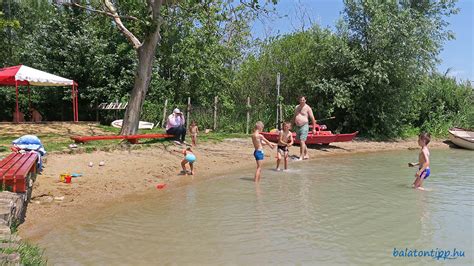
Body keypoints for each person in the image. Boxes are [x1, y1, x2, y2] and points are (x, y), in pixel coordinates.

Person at [292, 96, 317, 160]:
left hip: (304, 126)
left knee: (302, 141)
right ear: (299, 100)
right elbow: (294, 116)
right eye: (300, 100)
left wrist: (314, 129)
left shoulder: (308, 108)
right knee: (301, 141)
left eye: (303, 100)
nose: (302, 101)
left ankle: (301, 156)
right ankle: (306, 154)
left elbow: (313, 119)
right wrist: (291, 125)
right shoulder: (297, 107)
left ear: (305, 100)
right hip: (297, 126)